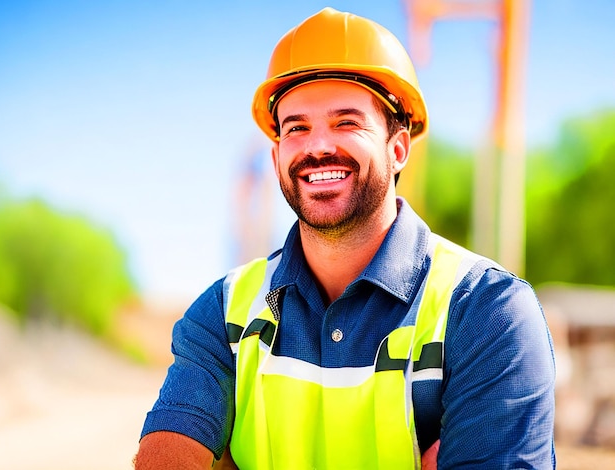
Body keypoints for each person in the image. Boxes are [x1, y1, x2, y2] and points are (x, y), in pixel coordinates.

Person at [135, 7, 556, 469]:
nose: (317, 147)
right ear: (277, 156)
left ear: (398, 148)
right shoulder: (224, 313)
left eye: (346, 122)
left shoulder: (487, 313)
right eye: (297, 127)